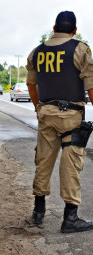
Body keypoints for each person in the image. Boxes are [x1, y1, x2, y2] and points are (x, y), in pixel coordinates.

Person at [26, 11, 93, 233]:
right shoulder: (80, 49)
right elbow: (91, 87)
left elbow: (31, 85)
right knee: (71, 165)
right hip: (71, 116)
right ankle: (70, 219)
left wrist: (39, 108)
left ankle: (38, 214)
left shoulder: (37, 52)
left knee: (43, 162)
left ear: (54, 29)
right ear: (74, 30)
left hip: (46, 115)